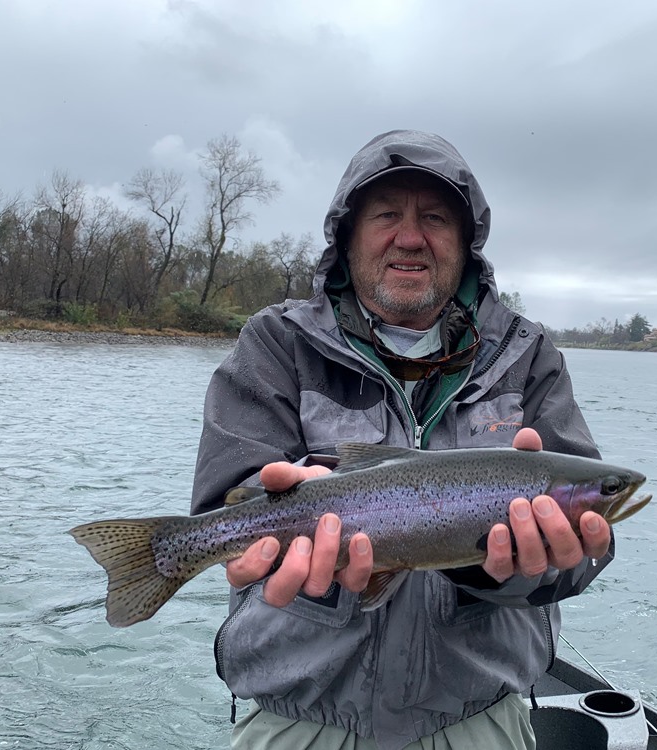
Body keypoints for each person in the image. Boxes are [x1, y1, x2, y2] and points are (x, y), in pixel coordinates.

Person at [191, 129, 613, 750]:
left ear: (467, 245)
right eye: (387, 215)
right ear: (348, 235)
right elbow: (224, 501)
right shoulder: (276, 344)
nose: (410, 237)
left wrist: (505, 570)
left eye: (436, 219)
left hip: (479, 722)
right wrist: (278, 507)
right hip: (298, 723)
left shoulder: (528, 355)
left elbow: (587, 555)